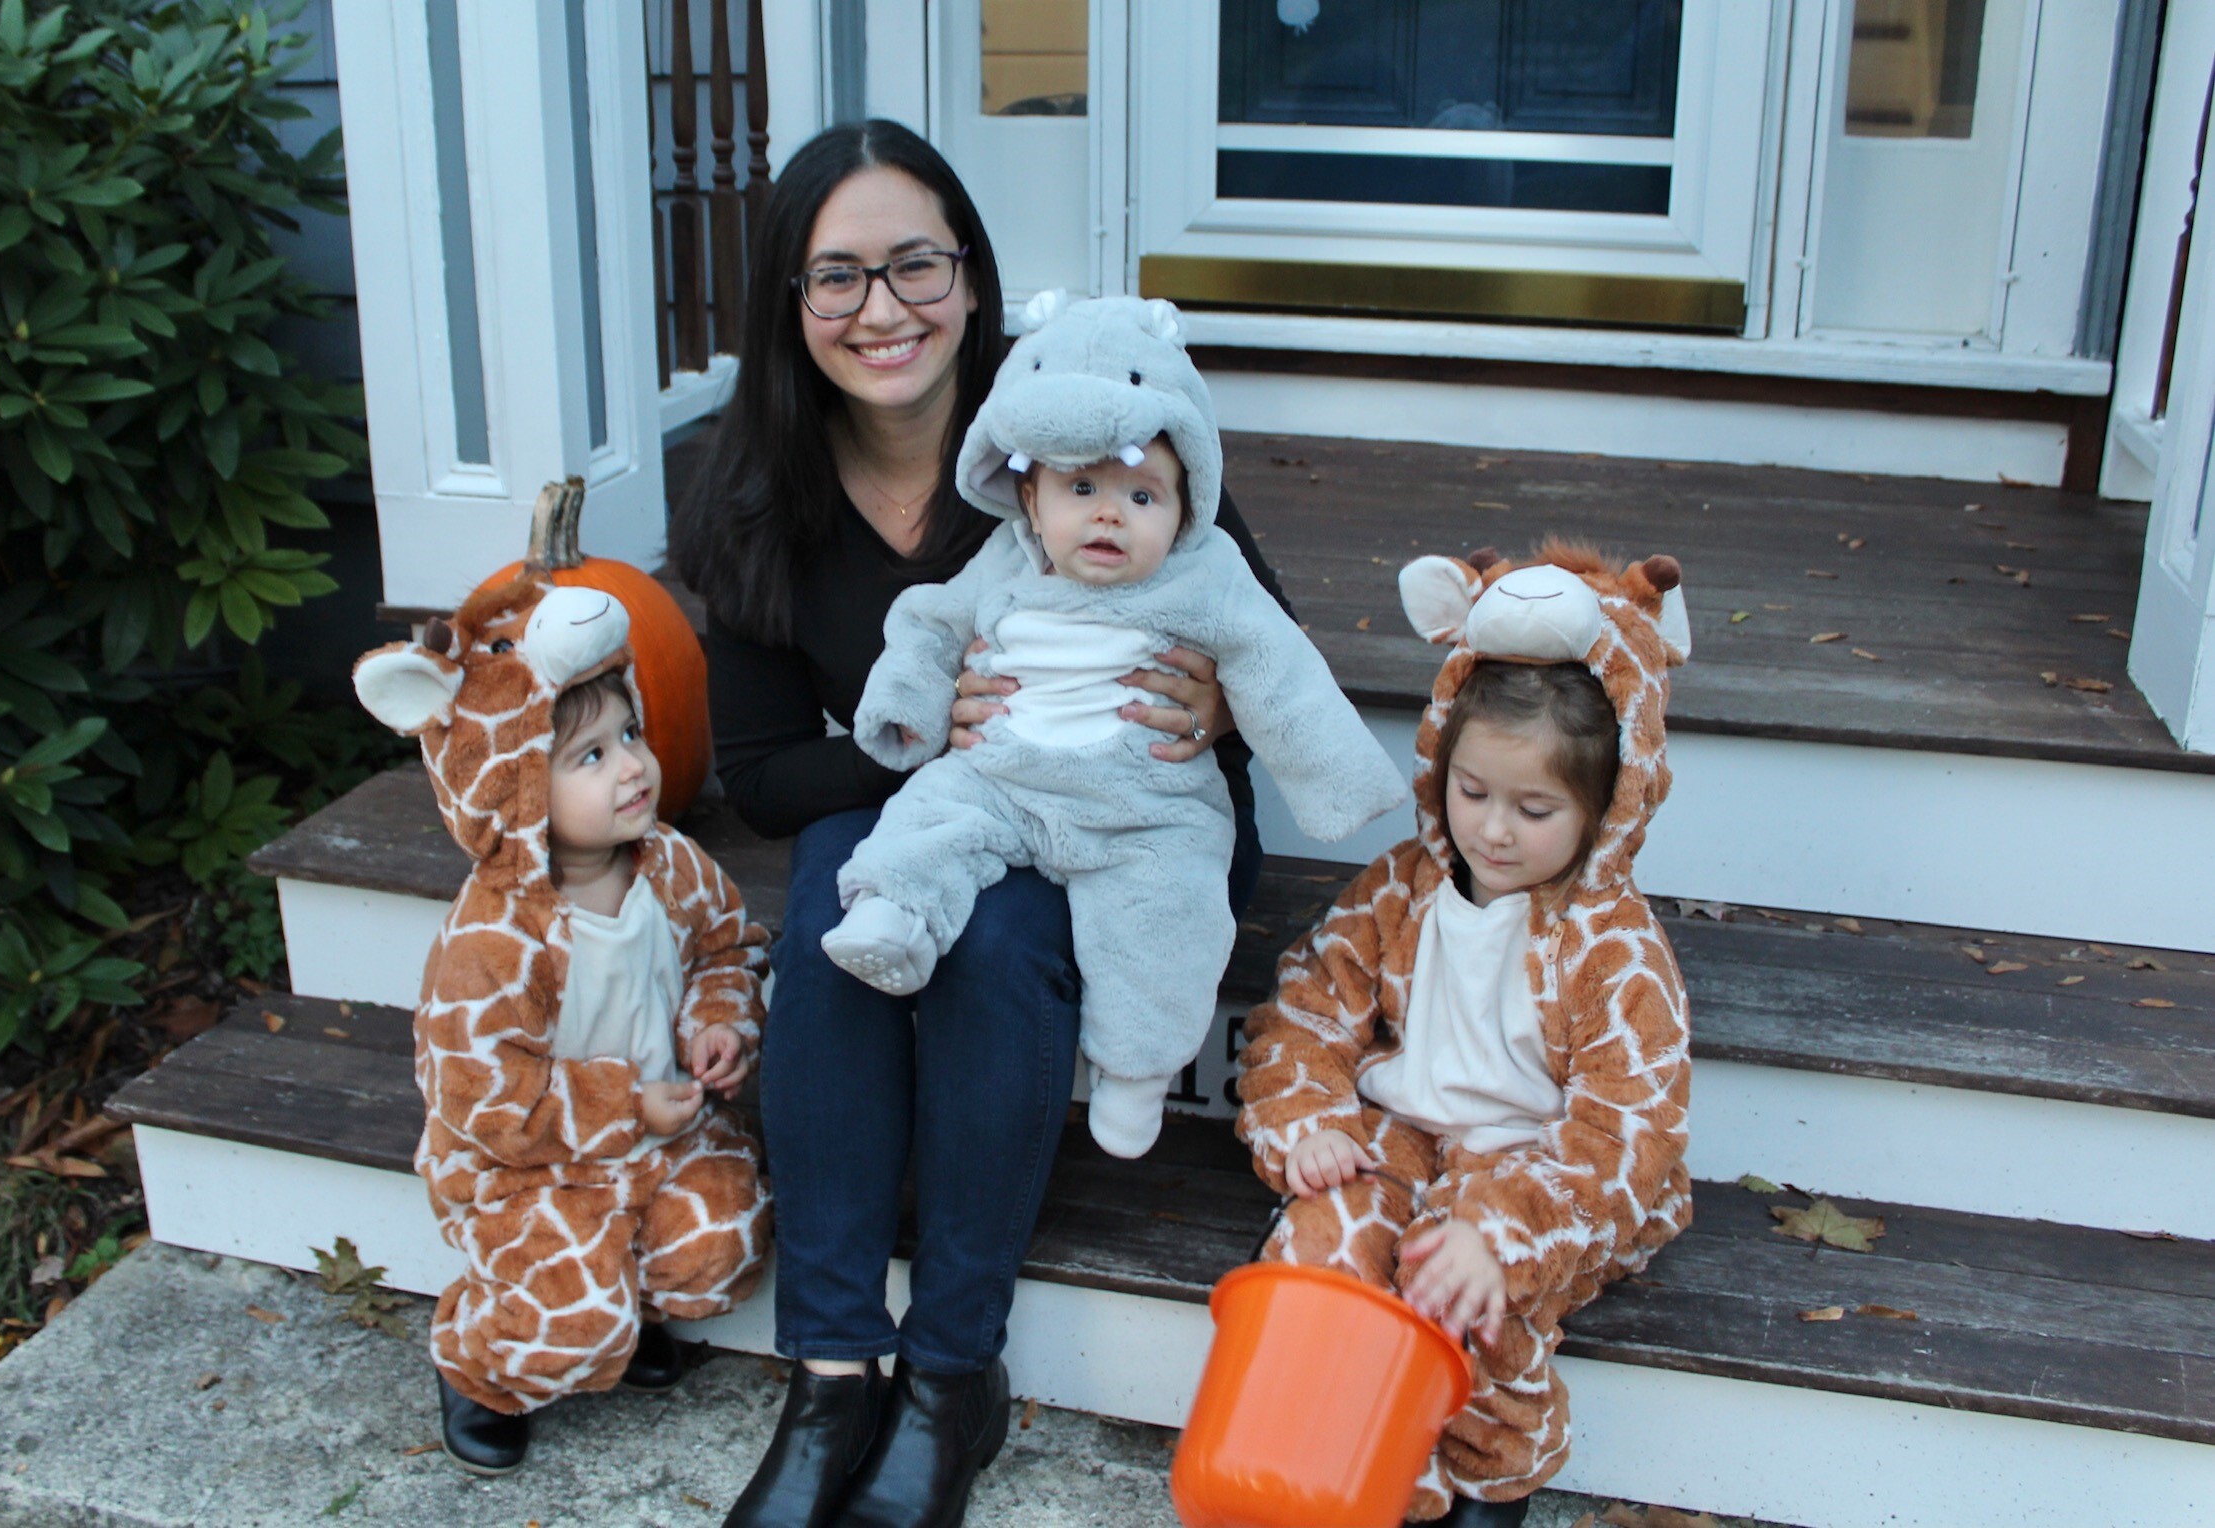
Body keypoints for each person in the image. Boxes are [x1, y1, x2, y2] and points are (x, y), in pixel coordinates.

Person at [670, 121, 1291, 1528]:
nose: (881, 311)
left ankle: (952, 1371)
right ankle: (831, 1370)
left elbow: (1263, 641)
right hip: (942, 809)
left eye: (913, 266)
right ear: (788, 300)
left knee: (996, 937)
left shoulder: (1071, 410)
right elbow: (763, 774)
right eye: (837, 278)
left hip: (1135, 823)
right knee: (839, 891)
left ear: (970, 272)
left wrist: (1213, 698)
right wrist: (920, 742)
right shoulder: (753, 495)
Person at [823, 293, 1405, 1160]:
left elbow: (1279, 670)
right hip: (1004, 779)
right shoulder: (1006, 556)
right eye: (1082, 488)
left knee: (1168, 915)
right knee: (927, 819)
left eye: (1141, 493)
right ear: (1029, 493)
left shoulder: (1204, 574)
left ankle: (1135, 1074)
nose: (1107, 514)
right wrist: (909, 709)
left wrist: (1335, 778)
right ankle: (894, 919)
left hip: (1145, 802)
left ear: (1185, 505)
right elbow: (930, 624)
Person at [1235, 543, 1697, 1526]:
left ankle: (1491, 1468)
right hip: (1406, 1134)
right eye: (1473, 792)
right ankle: (1334, 1460)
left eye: (1533, 809)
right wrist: (1308, 1114)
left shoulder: (1614, 952)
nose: (1491, 830)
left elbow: (1628, 1127)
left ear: (1603, 806)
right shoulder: (1404, 886)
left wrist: (1501, 1230)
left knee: (1461, 1275)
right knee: (1325, 1235)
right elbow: (1306, 1006)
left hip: (1536, 1165)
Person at [351, 577, 771, 1477]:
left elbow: (727, 949)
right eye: (588, 757)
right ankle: (479, 1368)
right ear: (511, 789)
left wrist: (719, 1022)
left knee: (724, 1241)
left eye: (630, 735)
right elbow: (487, 1104)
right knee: (570, 1323)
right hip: (528, 1167)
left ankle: (635, 1304)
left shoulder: (668, 864)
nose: (632, 767)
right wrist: (627, 1108)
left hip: (662, 1135)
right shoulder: (497, 939)